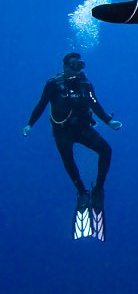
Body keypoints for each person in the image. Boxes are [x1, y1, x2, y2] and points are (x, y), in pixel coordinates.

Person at [23, 53, 122, 232]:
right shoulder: (53, 84)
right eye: (73, 65)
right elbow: (41, 104)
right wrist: (30, 124)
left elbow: (94, 103)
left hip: (82, 128)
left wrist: (109, 121)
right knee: (68, 158)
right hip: (62, 131)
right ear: (65, 66)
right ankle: (82, 192)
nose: (76, 69)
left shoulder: (85, 84)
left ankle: (98, 190)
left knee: (106, 150)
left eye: (79, 65)